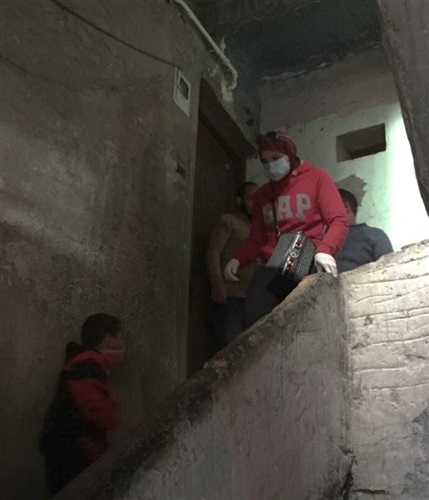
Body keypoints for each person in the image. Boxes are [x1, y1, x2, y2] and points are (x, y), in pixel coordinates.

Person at [224, 131, 349, 327]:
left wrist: (325, 250)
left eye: (275, 158)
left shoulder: (317, 177)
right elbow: (257, 238)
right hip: (273, 263)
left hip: (307, 255)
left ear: (289, 155)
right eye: (264, 161)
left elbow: (338, 220)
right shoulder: (263, 194)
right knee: (256, 315)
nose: (270, 165)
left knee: (305, 317)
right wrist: (238, 259)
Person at [39, 314, 125, 496]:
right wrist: (115, 418)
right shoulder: (88, 364)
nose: (122, 343)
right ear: (108, 339)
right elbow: (94, 408)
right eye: (119, 336)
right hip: (70, 448)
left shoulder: (86, 361)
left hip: (67, 445)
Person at [207, 182, 260, 346]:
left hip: (253, 297)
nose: (255, 203)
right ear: (239, 200)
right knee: (230, 345)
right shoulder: (228, 221)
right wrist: (217, 283)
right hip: (232, 295)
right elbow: (213, 251)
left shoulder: (260, 228)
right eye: (251, 198)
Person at [336, 188, 393, 273]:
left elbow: (389, 269)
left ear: (345, 206)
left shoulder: (375, 235)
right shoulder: (321, 241)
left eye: (325, 207)